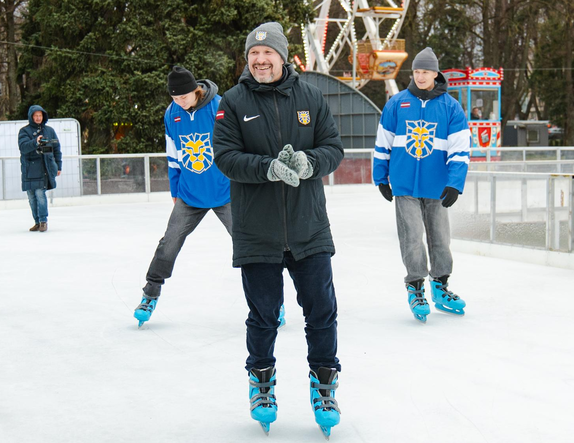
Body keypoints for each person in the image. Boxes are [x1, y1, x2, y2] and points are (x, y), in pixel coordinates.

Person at [213, 22, 344, 437]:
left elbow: (333, 149)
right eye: (254, 54)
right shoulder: (232, 102)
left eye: (267, 54)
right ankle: (262, 384)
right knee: (264, 315)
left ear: (282, 57)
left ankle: (324, 385)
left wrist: (308, 163)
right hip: (258, 231)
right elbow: (226, 157)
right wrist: (268, 168)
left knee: (322, 313)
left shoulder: (311, 97)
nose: (260, 60)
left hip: (309, 228)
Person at [373, 47, 470, 323]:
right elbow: (383, 143)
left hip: (437, 186)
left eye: (425, 71)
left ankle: (440, 285)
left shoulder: (450, 107)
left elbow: (460, 148)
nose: (420, 76)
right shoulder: (397, 103)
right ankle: (415, 287)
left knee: (440, 237)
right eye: (416, 71)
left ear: (435, 73)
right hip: (404, 184)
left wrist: (455, 183)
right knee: (412, 237)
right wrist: (381, 177)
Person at [133, 66, 232, 327]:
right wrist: (175, 190)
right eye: (175, 98)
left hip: (226, 193)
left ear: (196, 90)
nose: (180, 101)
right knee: (169, 243)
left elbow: (235, 147)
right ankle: (149, 294)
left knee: (250, 245)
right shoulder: (171, 113)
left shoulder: (220, 107)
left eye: (184, 96)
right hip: (189, 194)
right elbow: (173, 154)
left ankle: (272, 302)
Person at [18, 105, 62, 232]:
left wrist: (58, 166)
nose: (38, 118)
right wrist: (35, 142)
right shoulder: (24, 131)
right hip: (29, 170)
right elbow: (23, 147)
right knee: (31, 197)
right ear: (31, 117)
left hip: (44, 169)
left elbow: (57, 149)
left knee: (40, 194)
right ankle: (37, 222)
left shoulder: (49, 131)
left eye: (40, 115)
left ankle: (43, 221)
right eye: (36, 115)